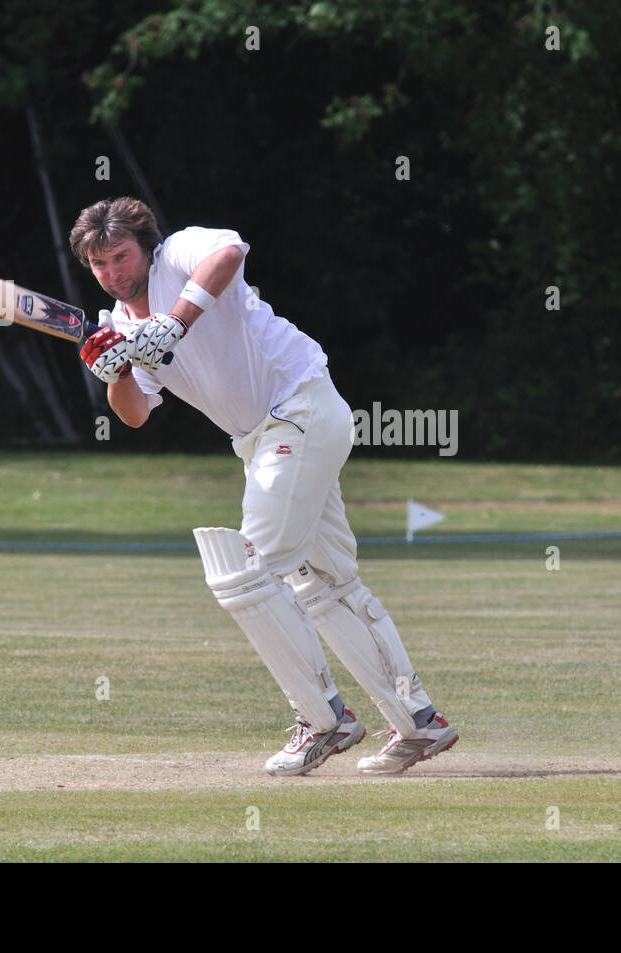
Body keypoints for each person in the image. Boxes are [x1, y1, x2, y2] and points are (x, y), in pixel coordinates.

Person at [69, 196, 458, 776]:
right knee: (323, 582)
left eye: (120, 256)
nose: (112, 273)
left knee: (246, 570)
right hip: (266, 440)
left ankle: (324, 720)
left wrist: (172, 323)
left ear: (145, 248)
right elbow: (134, 416)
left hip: (298, 408)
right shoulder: (122, 328)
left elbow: (229, 251)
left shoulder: (179, 254)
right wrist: (117, 369)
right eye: (98, 265)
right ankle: (419, 723)